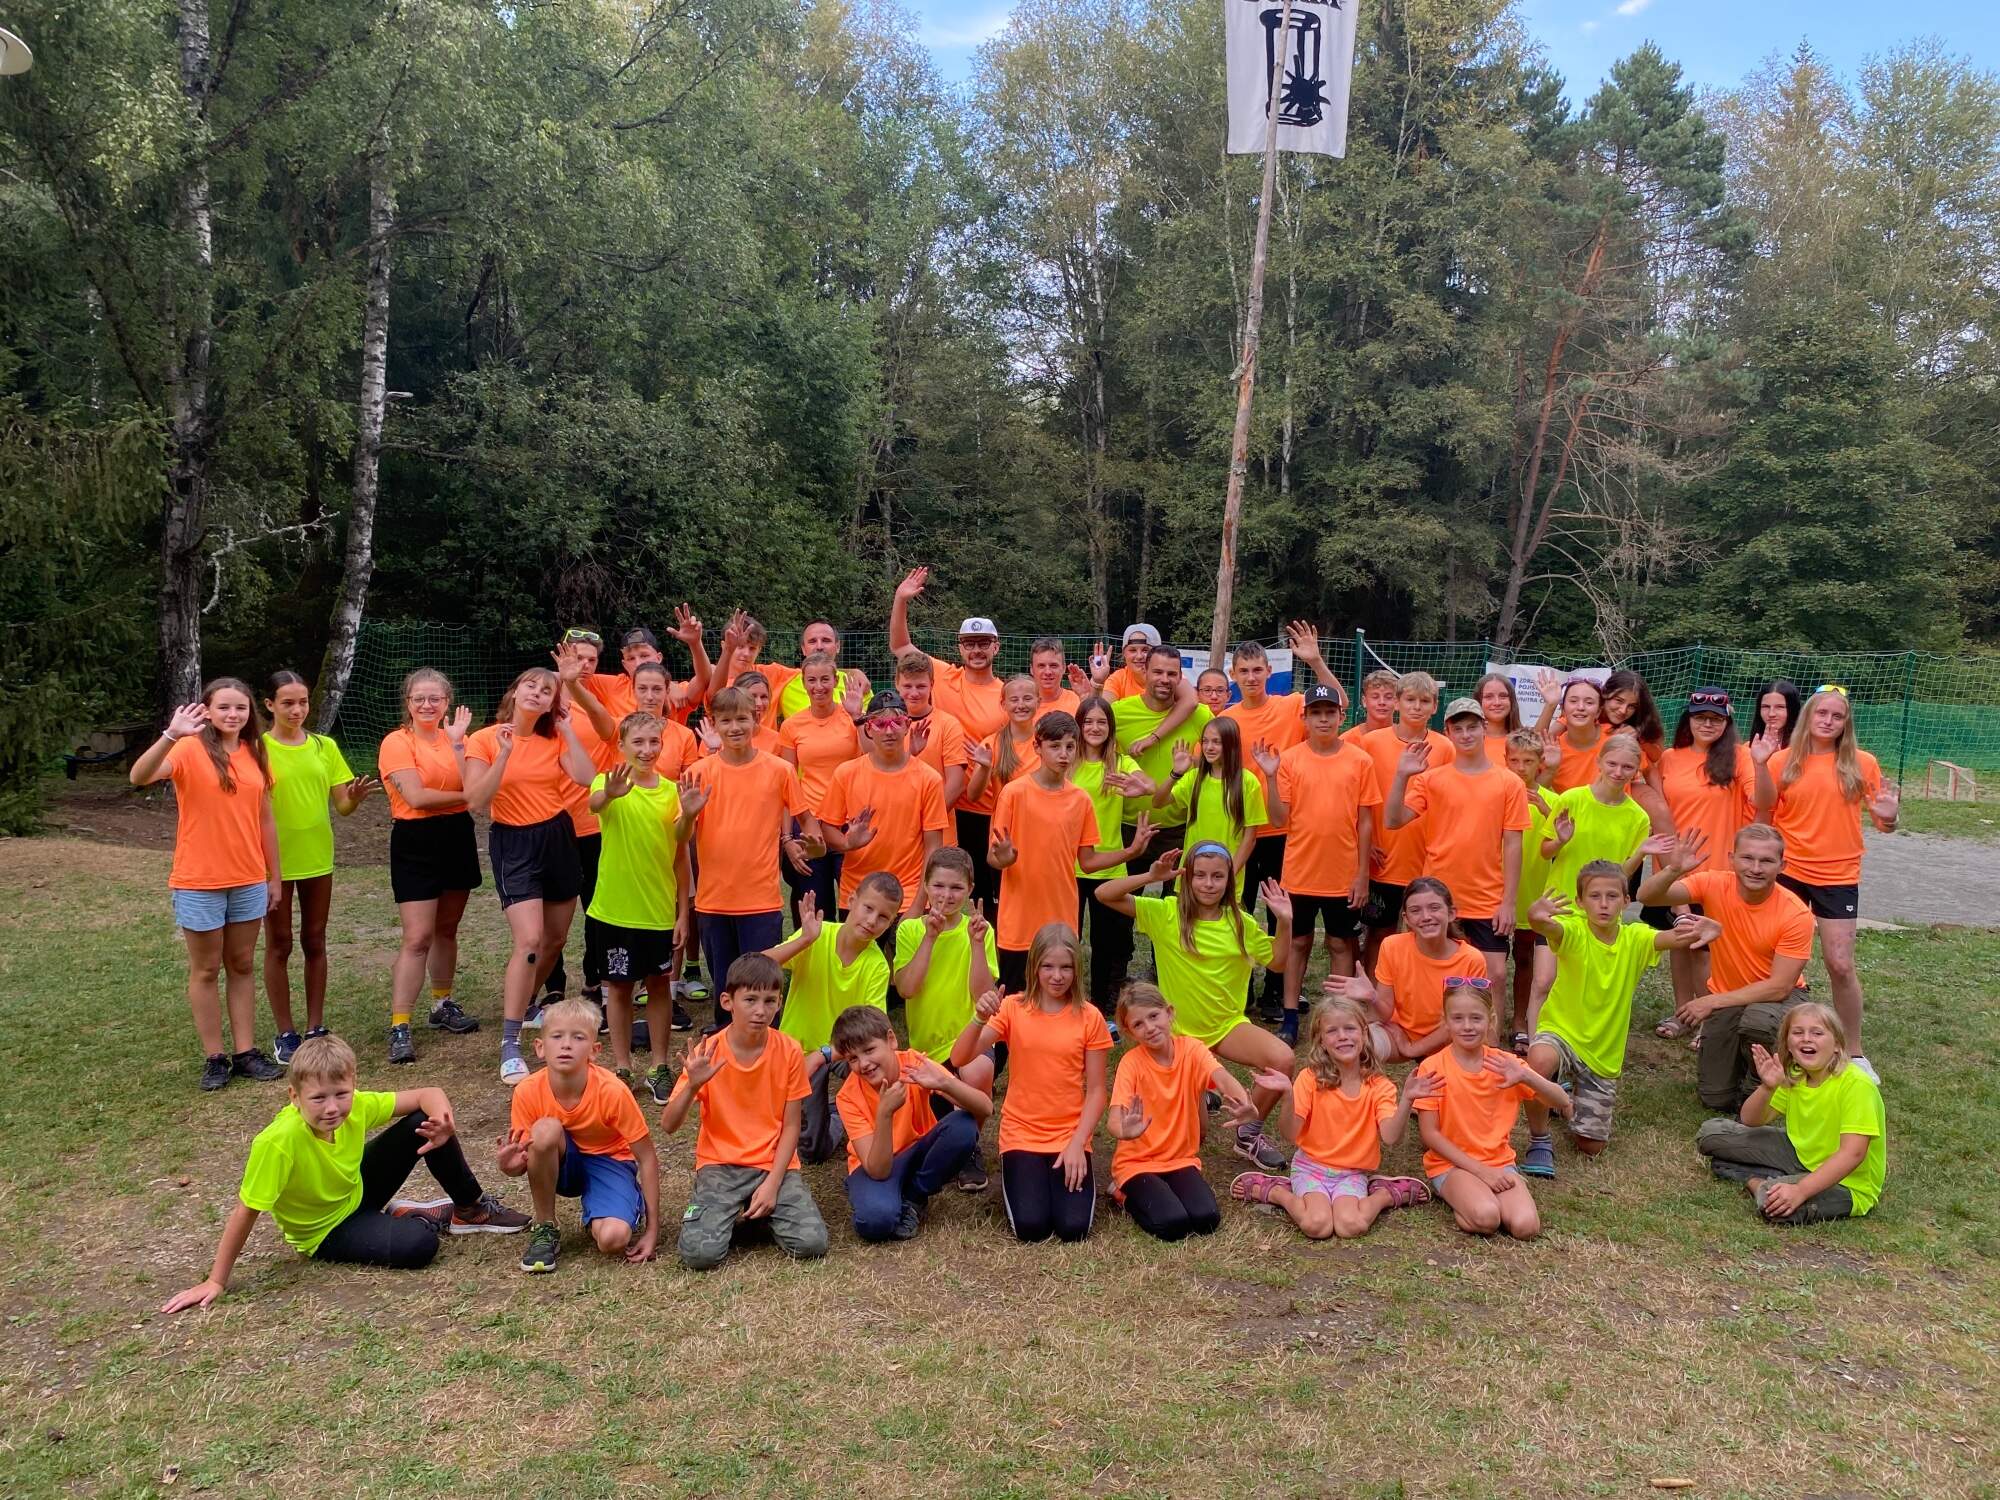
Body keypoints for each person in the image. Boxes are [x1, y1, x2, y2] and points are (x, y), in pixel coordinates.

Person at [160, 1034, 529, 1311]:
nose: (332, 1108)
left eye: (341, 1094)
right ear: (294, 1096)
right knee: (420, 1246)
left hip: (356, 1190)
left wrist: (444, 1123)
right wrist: (216, 1280)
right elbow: (247, 1210)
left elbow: (428, 1093)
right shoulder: (277, 1142)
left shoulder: (356, 1105)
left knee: (426, 1121)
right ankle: (411, 1216)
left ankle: (470, 1208)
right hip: (327, 1231)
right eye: (318, 1098)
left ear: (353, 1084)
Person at [1092, 845, 1296, 1171]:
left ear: (1229, 880)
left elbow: (1279, 962)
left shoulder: (1241, 924)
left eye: (1217, 876)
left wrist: (1284, 922)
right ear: (1186, 879)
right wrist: (1150, 877)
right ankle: (1202, 1092)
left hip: (1227, 1027)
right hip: (1178, 1035)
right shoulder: (1167, 914)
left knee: (1283, 1058)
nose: (1208, 884)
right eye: (1199, 875)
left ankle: (1248, 1134)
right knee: (1196, 1136)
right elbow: (1104, 894)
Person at [130, 677, 287, 1091]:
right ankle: (215, 1057)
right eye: (224, 707)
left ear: (251, 712)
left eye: (240, 708)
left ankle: (245, 1053)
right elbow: (139, 776)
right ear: (208, 710)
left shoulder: (256, 752)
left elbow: (265, 820)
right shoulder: (187, 748)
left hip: (248, 879)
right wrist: (170, 735)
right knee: (205, 969)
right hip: (199, 881)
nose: (233, 715)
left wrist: (274, 876)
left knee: (241, 965)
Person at [1518, 867, 1719, 1178]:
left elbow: (1675, 937)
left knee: (1591, 1146)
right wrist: (1534, 915)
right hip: (1561, 1032)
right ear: (1580, 902)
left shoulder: (1635, 938)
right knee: (1538, 1060)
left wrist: (1711, 927)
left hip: (1603, 1052)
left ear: (1626, 901)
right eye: (1594, 896)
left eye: (1612, 896)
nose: (1603, 904)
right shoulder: (1573, 930)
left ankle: (1563, 1101)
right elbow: (1546, 926)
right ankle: (1539, 1139)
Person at [462, 666, 598, 1085]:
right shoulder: (485, 739)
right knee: (530, 940)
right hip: (514, 844)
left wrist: (568, 729)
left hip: (558, 837)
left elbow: (587, 778)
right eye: (531, 685)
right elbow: (475, 801)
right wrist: (504, 754)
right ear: (515, 691)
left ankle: (525, 1007)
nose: (538, 692)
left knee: (555, 940)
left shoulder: (553, 737)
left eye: (547, 690)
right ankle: (510, 1043)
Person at [1754, 687, 1899, 1076]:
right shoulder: (1783, 760)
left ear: (1845, 722)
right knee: (1775, 960)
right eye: (1822, 713)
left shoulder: (1862, 763)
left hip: (1838, 874)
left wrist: (1890, 816)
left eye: (1837, 716)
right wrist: (1760, 765)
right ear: (1808, 716)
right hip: (1789, 872)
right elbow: (1764, 808)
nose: (1828, 721)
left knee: (1840, 964)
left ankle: (1854, 1052)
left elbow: (1884, 822)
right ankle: (1772, 1044)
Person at [662, 954, 829, 1270]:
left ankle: (756, 1211)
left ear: (779, 1003)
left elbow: (791, 1126)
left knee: (811, 1243)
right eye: (750, 1000)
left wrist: (772, 1184)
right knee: (699, 1255)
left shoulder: (790, 1050)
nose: (760, 1010)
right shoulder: (708, 1053)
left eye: (769, 1001)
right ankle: (729, 1215)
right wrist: (692, 1086)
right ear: (728, 1001)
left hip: (773, 1163)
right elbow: (669, 1124)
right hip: (720, 1164)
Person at [1637, 825, 1816, 1111]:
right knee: (1715, 1098)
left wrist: (1710, 1001)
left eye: (1766, 861)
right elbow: (1647, 896)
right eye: (1747, 858)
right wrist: (1673, 869)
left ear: (1782, 866)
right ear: (1732, 859)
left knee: (1757, 1021)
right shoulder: (1713, 882)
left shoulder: (1795, 913)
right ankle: (1746, 1066)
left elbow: (1779, 986)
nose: (1755, 868)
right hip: (1729, 997)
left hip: (1778, 998)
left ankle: (1767, 1083)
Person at [950, 925, 1111, 1243]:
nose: (1057, 976)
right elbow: (960, 1057)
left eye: (1066, 967)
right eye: (1048, 966)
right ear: (1034, 966)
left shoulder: (1090, 1016)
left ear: (1077, 969)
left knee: (1073, 1228)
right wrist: (979, 1018)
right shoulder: (1013, 1007)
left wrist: (1078, 1142)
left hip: (1069, 1134)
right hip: (1021, 1133)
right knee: (1031, 1226)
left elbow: (1096, 1091)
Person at [1228, 994, 1435, 1237]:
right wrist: (1288, 1095)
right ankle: (1278, 1193)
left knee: (1351, 1226)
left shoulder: (1379, 1086)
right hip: (1311, 1167)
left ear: (1364, 1035)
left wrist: (1407, 1099)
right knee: (1317, 1225)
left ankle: (1384, 1195)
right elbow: (1289, 1134)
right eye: (1332, 1031)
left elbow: (1390, 1137)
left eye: (1350, 1028)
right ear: (1322, 1041)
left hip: (1352, 1172)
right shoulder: (1310, 1079)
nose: (1342, 1036)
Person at [1223, 626, 1345, 1019]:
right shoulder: (1227, 719)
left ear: (1268, 672)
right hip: (1242, 830)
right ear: (1233, 674)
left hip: (1284, 830)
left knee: (1281, 913)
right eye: (1244, 671)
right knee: (1238, 910)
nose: (1251, 677)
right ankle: (1240, 987)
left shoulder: (1291, 705)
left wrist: (1315, 661)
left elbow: (1339, 701)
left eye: (1257, 670)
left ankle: (1276, 991)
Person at [259, 671, 375, 1061]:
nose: (297, 710)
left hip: (317, 860)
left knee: (315, 940)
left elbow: (342, 806)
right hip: (273, 863)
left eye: (303, 702)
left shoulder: (324, 746)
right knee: (279, 943)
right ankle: (285, 1033)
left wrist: (354, 797)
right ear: (270, 705)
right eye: (287, 703)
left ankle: (315, 1026)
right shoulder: (257, 749)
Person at [989, 712, 1151, 991]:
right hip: (1018, 920)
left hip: (1062, 917)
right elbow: (994, 857)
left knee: (1058, 996)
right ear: (1037, 747)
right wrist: (1005, 858)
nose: (1063, 754)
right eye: (1055, 746)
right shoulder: (1013, 793)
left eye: (1070, 746)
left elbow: (1087, 862)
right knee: (1015, 1000)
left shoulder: (1080, 799)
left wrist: (1131, 851)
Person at [499, 999, 661, 1273]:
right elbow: (522, 1161)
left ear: (594, 1051)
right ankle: (545, 1227)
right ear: (540, 1047)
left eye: (578, 1037)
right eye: (557, 1036)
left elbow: (647, 1158)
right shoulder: (527, 1091)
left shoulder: (613, 1091)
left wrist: (653, 1230)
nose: (566, 1045)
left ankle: (606, 1206)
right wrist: (509, 1166)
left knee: (613, 1240)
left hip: (609, 1160)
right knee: (545, 1129)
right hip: (562, 1162)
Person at [1384, 696, 1528, 991]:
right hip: (1439, 897)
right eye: (1458, 729)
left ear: (1484, 728)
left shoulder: (1509, 782)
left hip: (1486, 898)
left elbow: (1514, 844)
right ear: (1447, 733)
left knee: (1494, 976)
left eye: (1472, 727)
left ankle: (1488, 1025)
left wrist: (1508, 903)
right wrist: (1401, 775)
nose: (1465, 735)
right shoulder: (1431, 779)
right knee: (1439, 975)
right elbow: (1393, 820)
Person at [378, 669, 485, 1065]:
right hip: (415, 839)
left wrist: (459, 749)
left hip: (457, 835)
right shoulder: (396, 742)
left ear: (447, 702)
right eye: (419, 698)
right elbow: (417, 797)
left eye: (435, 698)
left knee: (446, 929)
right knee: (418, 937)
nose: (427, 705)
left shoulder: (460, 740)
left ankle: (442, 1004)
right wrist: (468, 795)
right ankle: (400, 1025)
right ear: (407, 703)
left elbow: (477, 784)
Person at [1695, 1002, 1885, 1225]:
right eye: (1798, 1033)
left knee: (1777, 1208)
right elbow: (1750, 1120)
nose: (1807, 1039)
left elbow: (1853, 1154)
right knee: (1711, 1134)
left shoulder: (1856, 1084)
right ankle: (1777, 1179)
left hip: (1848, 1183)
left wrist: (1800, 1191)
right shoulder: (1795, 1074)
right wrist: (1767, 1087)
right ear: (1788, 1044)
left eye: (1817, 1033)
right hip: (1798, 1153)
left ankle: (1759, 1182)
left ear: (1837, 1044)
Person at [684, 686, 820, 996]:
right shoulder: (698, 773)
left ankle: (766, 1029)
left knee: (761, 987)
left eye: (742, 719)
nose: (735, 727)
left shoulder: (781, 770)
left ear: (756, 719)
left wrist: (814, 844)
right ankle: (725, 1026)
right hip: (713, 901)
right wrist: (689, 816)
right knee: (726, 988)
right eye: (726, 720)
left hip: (761, 900)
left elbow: (806, 819)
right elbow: (680, 836)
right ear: (714, 724)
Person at [584, 711, 693, 1100]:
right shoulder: (608, 782)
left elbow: (680, 849)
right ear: (622, 746)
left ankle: (659, 1066)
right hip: (613, 910)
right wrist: (610, 794)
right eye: (638, 742)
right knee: (618, 988)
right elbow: (596, 804)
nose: (647, 750)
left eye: (654, 742)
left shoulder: (671, 791)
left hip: (658, 911)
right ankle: (623, 1066)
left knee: (659, 986)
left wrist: (683, 912)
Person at [888, 568, 1010, 908]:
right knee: (943, 891)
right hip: (947, 806)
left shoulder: (1005, 695)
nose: (976, 650)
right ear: (960, 647)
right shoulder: (942, 676)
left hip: (987, 806)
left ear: (996, 647)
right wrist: (901, 600)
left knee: (986, 897)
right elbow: (900, 645)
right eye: (969, 643)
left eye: (983, 643)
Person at [1413, 981, 1572, 1240]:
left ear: (1491, 1020)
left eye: (1476, 1018)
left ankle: (1478, 1196)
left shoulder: (1505, 1064)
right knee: (1487, 1217)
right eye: (1458, 1018)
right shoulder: (1432, 1067)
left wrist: (1527, 1076)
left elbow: (1561, 1100)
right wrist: (1480, 1172)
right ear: (1445, 1021)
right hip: (1451, 1165)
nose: (1467, 1026)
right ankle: (1457, 1194)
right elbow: (1429, 1134)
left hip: (1499, 1164)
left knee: (1526, 1227)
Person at [1269, 684, 1381, 1043]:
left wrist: (1362, 874)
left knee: (1340, 944)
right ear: (1304, 718)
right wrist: (1269, 776)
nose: (1323, 719)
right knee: (1298, 943)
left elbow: (1366, 822)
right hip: (1300, 872)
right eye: (1315, 712)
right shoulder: (1290, 760)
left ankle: (1340, 1016)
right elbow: (1278, 819)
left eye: (1329, 712)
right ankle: (1290, 1017)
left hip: (1342, 873)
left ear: (1341, 716)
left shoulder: (1360, 761)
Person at [1105, 983, 1257, 1242]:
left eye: (1154, 1016)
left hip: (1180, 1159)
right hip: (1136, 1163)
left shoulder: (1192, 1049)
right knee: (1171, 1225)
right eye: (1139, 1024)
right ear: (1130, 1032)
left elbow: (1221, 1077)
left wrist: (1243, 1101)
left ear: (1169, 1013)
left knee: (1207, 1219)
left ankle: (1162, 1190)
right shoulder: (1131, 1063)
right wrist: (1124, 1131)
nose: (1150, 1027)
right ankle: (1122, 1194)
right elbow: (1114, 1121)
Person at [765, 877, 902, 1164]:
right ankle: (828, 1113)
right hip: (797, 1050)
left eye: (883, 917)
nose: (872, 921)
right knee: (811, 1152)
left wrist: (824, 1053)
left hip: (841, 1051)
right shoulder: (817, 935)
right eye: (868, 908)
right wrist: (804, 940)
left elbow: (873, 1031)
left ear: (890, 924)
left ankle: (852, 1114)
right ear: (851, 901)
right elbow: (756, 966)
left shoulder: (877, 965)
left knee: (881, 1065)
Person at [832, 1005, 990, 1241]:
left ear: (891, 1040)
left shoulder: (914, 1064)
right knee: (875, 1222)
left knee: (963, 1126)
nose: (863, 1064)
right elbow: (878, 1170)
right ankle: (879, 1193)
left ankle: (914, 1197)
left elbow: (985, 1108)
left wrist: (945, 1083)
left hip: (918, 1154)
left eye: (869, 1050)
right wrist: (884, 1114)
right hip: (878, 1165)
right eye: (853, 1058)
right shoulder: (847, 1096)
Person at [1652, 689, 1753, 1036]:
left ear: (1727, 722)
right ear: (1688, 720)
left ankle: (1710, 1020)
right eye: (1700, 717)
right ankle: (1684, 1013)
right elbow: (1658, 815)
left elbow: (1758, 796)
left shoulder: (1739, 757)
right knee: (1681, 944)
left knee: (1707, 950)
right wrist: (1665, 867)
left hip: (1720, 871)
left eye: (1716, 719)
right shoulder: (1669, 758)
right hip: (1676, 869)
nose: (1707, 724)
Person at [817, 689, 947, 918]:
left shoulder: (929, 779)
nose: (889, 731)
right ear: (868, 729)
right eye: (880, 724)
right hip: (858, 893)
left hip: (906, 896)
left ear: (907, 726)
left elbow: (933, 847)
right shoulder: (846, 773)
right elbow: (827, 828)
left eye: (897, 723)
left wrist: (919, 904)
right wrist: (848, 843)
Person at [1357, 671, 1451, 971]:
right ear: (1397, 703)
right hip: (1383, 858)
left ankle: (1415, 990)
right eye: (1410, 699)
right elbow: (1357, 799)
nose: (1416, 707)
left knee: (1423, 934)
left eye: (1424, 701)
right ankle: (1374, 992)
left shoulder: (1444, 748)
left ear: (1434, 707)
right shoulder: (1370, 743)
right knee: (1379, 934)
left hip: (1424, 859)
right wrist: (1365, 842)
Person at [1340, 877, 1489, 1063]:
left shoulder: (1472, 959)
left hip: (1452, 1040)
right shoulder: (1392, 946)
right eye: (1415, 910)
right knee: (1353, 1044)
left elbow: (1461, 1022)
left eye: (1434, 908)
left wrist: (1413, 1049)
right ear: (1406, 919)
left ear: (1451, 913)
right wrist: (1373, 997)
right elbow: (1385, 1013)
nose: (1426, 916)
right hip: (1400, 1033)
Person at [1071, 694, 1155, 1009]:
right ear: (1079, 726)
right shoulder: (1069, 762)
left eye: (1101, 722)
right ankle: (1069, 998)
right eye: (1088, 722)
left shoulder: (1119, 762)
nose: (1095, 728)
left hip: (1109, 864)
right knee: (1070, 937)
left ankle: (1102, 1003)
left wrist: (1141, 786)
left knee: (1106, 941)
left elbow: (1148, 783)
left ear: (1111, 728)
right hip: (1070, 865)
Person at [778, 651, 863, 921]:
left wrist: (858, 717)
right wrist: (787, 838)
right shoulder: (792, 726)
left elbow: (870, 760)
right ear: (804, 683)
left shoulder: (852, 716)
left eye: (825, 679)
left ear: (835, 680)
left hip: (848, 821)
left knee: (856, 905)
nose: (819, 687)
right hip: (809, 825)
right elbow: (787, 784)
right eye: (812, 680)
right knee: (816, 908)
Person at [1111, 646, 1209, 870]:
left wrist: (1193, 764)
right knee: (1126, 892)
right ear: (1144, 672)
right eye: (1157, 672)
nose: (1165, 679)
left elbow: (1221, 759)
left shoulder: (1199, 715)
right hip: (1129, 827)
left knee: (1177, 893)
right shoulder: (1119, 713)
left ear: (1181, 678)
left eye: (1171, 674)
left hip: (1179, 828)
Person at [1154, 716, 1268, 892]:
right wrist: (1175, 774)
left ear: (1231, 744)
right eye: (1205, 741)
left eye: (1216, 742)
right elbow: (1158, 802)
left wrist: (1230, 876)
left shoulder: (1248, 783)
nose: (1209, 747)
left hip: (1227, 875)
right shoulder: (1194, 778)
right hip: (1192, 872)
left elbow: (1249, 838)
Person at [962, 676, 1045, 883]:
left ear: (1039, 701)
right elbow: (973, 795)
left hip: (1042, 832)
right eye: (1014, 699)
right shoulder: (992, 744)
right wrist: (984, 768)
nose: (1021, 705)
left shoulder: (1047, 742)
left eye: (1027, 698)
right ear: (1003, 704)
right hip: (1006, 836)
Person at [1504, 729, 1556, 1052]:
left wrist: (1548, 812)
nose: (1521, 768)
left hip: (1534, 892)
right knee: (1492, 960)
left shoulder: (1554, 801)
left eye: (1528, 761)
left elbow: (1567, 845)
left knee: (1525, 958)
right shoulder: (1496, 792)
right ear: (1505, 761)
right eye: (1514, 761)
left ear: (1541, 763)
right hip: (1496, 891)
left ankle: (1520, 1020)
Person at [894, 652, 969, 812]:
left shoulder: (948, 725)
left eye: (921, 686)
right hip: (897, 821)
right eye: (907, 686)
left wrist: (930, 819)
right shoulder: (887, 725)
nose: (914, 693)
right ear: (897, 684)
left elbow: (956, 785)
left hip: (937, 823)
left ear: (932, 685)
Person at [1537, 675, 1606, 792]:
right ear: (1563, 709)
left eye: (1589, 702)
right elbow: (1533, 793)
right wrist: (1550, 770)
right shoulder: (1553, 748)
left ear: (1599, 711)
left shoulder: (1616, 738)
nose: (1580, 707)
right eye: (1573, 701)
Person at [1027, 636, 1089, 722]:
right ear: (1031, 669)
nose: (1048, 672)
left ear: (1063, 668)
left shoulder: (1079, 702)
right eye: (1041, 666)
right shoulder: (1021, 707)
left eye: (1053, 665)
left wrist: (1088, 698)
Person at [1472, 671, 1522, 767]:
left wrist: (1550, 705)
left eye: (1503, 696)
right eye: (1489, 697)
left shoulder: (1524, 740)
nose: (1497, 702)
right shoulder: (1464, 740)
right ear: (1478, 701)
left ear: (1511, 701)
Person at [1342, 669, 1399, 745]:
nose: (1382, 702)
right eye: (1375, 697)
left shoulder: (1407, 739)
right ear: (1364, 701)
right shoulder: (1346, 741)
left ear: (1397, 702)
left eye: (1388, 697)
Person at [1751, 678, 1803, 752]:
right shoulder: (1749, 748)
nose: (1771, 714)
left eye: (1780, 707)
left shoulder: (1806, 748)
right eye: (1766, 706)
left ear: (1793, 709)